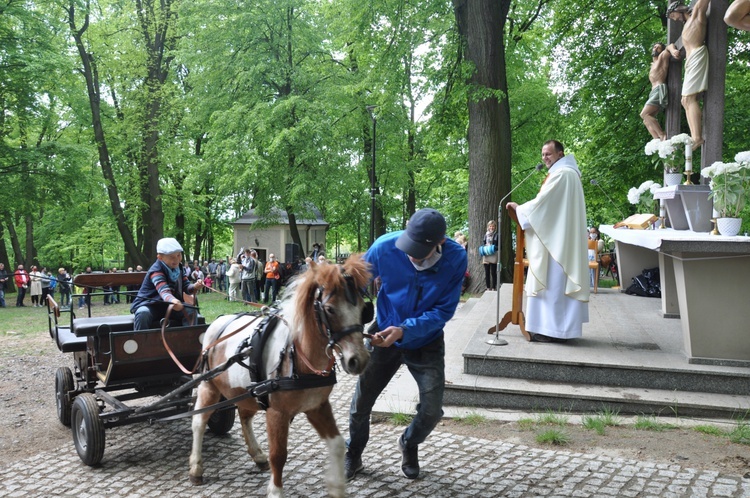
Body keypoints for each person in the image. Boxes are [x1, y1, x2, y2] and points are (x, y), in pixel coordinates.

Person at [345, 208, 467, 481]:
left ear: (440, 242)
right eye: (408, 246)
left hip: (426, 340)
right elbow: (354, 285)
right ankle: (353, 453)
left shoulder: (456, 258)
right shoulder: (385, 246)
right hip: (384, 331)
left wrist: (404, 331)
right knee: (360, 403)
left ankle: (409, 443)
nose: (410, 254)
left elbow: (443, 311)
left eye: (418, 250)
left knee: (433, 410)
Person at [506, 140, 589, 343]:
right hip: (558, 237)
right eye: (543, 154)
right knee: (555, 286)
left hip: (556, 244)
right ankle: (556, 330)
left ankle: (552, 331)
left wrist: (520, 209)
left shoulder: (562, 175)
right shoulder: (567, 173)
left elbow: (543, 205)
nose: (545, 158)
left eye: (549, 154)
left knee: (553, 284)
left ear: (560, 154)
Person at [130, 238, 203, 330]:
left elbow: (186, 286)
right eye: (172, 257)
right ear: (160, 257)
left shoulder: (179, 268)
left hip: (169, 306)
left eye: (178, 255)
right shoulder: (156, 270)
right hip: (150, 305)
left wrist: (195, 286)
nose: (176, 259)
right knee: (142, 313)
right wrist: (173, 300)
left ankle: (188, 340)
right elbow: (164, 291)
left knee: (191, 310)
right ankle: (141, 342)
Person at [666, 0, 711, 149]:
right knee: (685, 101)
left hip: (697, 55)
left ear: (679, 9)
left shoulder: (696, 14)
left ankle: (697, 138)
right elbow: (670, 46)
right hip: (690, 60)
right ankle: (695, 136)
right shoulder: (686, 26)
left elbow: (702, 3)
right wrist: (673, 50)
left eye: (673, 15)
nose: (674, 19)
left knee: (688, 98)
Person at [640, 43, 675, 141]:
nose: (655, 49)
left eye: (658, 47)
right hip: (653, 92)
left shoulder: (662, 58)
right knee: (646, 120)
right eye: (654, 47)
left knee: (644, 114)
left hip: (659, 89)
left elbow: (669, 46)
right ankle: (658, 140)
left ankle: (662, 134)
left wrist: (673, 51)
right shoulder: (652, 64)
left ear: (661, 50)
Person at [481, 220, 498, 291]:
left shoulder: (497, 235)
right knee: (487, 272)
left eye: (493, 226)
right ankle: (488, 287)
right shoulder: (486, 235)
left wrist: (492, 247)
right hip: (486, 254)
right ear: (488, 227)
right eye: (490, 226)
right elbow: (484, 243)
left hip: (493, 254)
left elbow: (498, 246)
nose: (491, 227)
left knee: (493, 272)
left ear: (495, 227)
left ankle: (494, 287)